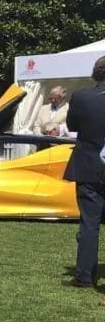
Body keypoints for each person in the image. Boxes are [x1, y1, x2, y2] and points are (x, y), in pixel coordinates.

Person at [61, 56, 105, 294]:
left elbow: (72, 126)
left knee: (89, 224)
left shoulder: (81, 97)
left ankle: (85, 277)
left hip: (90, 166)